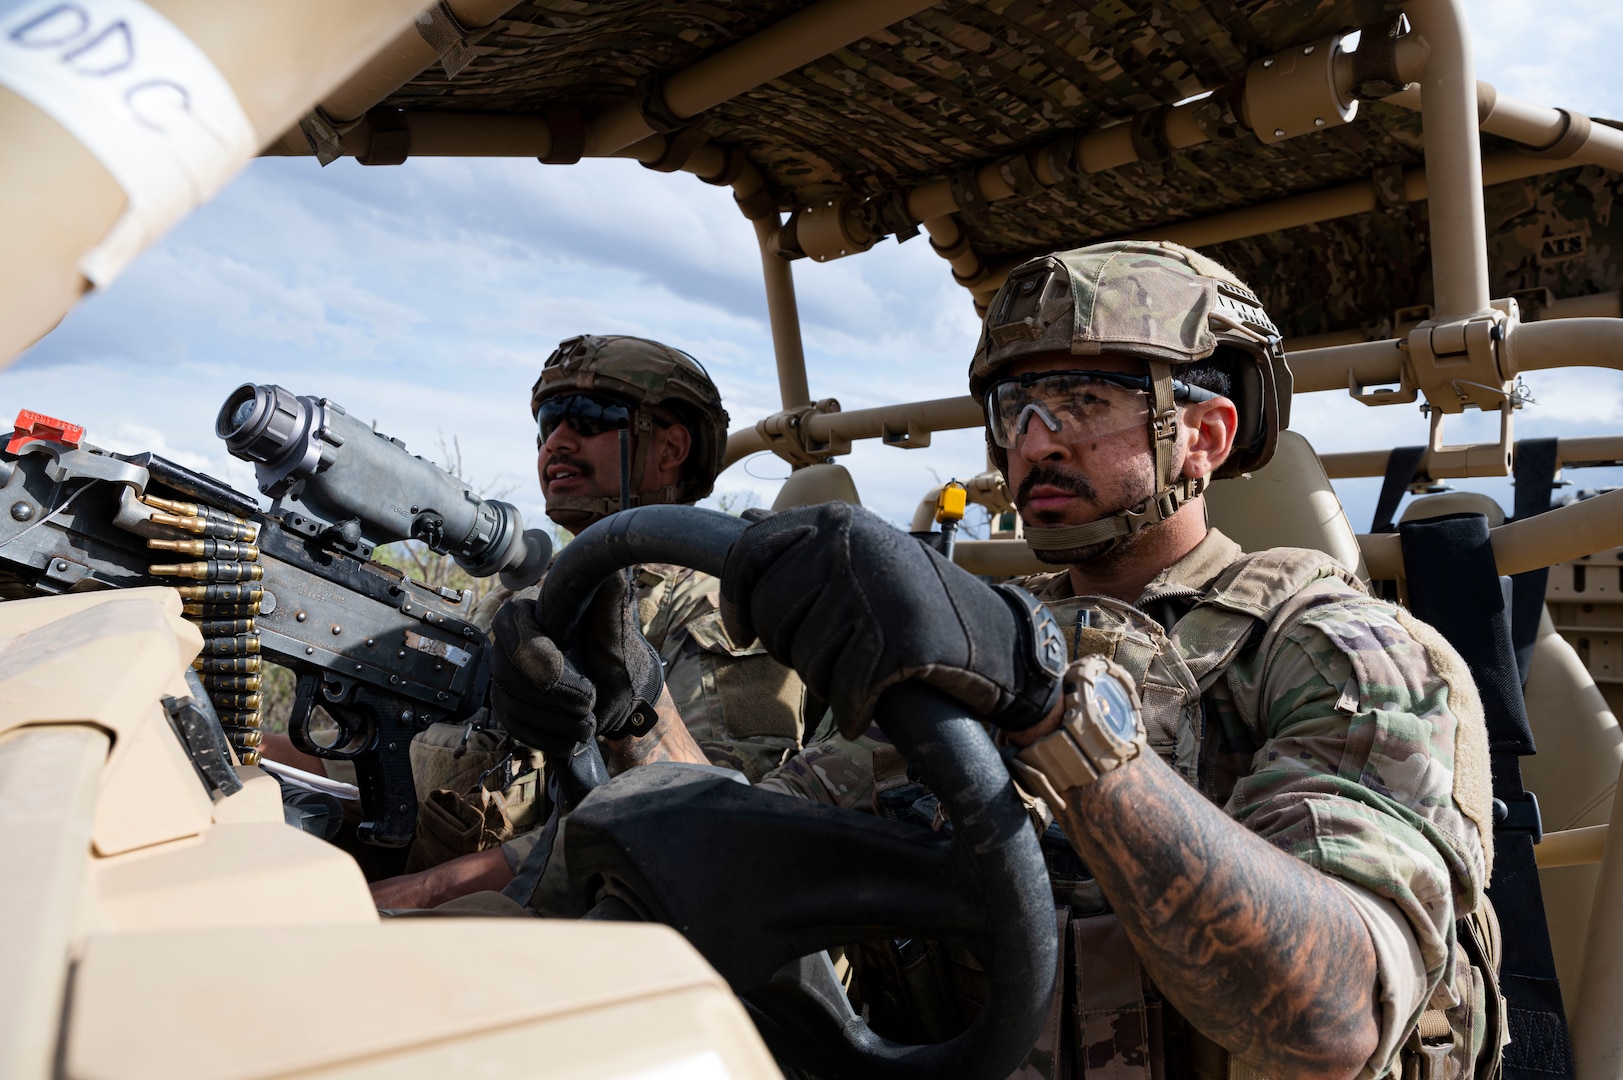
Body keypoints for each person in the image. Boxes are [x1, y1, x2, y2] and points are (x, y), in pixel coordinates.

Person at [500, 243, 1494, 1078]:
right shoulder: (979, 639)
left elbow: (1333, 1020)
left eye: (1082, 402)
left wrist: (1053, 713)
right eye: (1015, 410)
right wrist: (626, 715)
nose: (1033, 444)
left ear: (1203, 433)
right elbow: (743, 848)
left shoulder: (1342, 649)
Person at [365, 334, 806, 908]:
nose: (557, 443)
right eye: (548, 423)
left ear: (671, 447)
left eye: (588, 418)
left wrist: (419, 893)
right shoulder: (517, 603)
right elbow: (397, 753)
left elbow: (717, 832)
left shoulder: (721, 606)